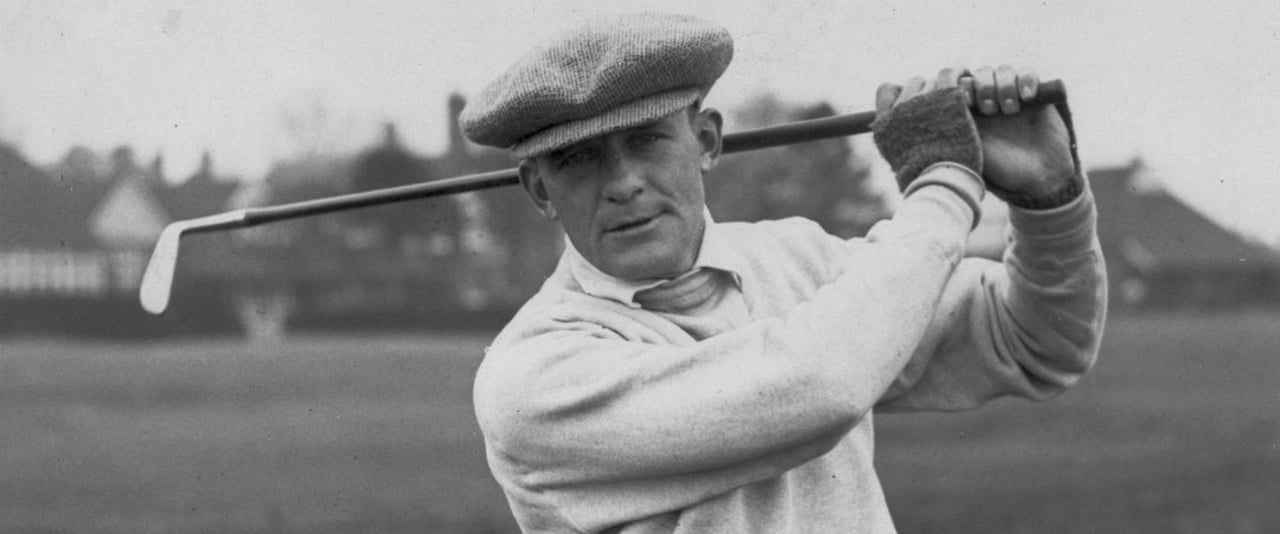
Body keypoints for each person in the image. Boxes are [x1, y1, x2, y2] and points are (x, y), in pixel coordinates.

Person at [459, 11, 1106, 534]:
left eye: (648, 140)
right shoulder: (531, 375)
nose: (624, 183)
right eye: (578, 160)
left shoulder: (800, 259)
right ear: (539, 191)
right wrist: (943, 180)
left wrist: (1049, 200)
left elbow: (1040, 344)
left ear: (707, 142)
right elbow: (817, 386)